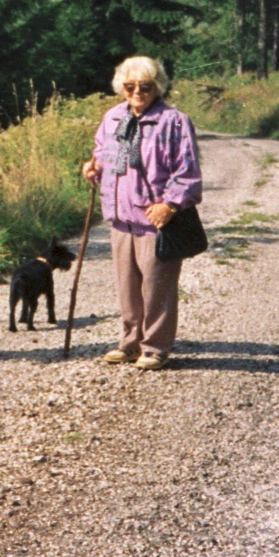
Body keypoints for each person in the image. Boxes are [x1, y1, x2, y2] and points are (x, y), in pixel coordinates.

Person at [81, 56, 202, 370]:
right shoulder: (112, 118)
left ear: (157, 87)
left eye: (145, 87)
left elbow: (187, 170)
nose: (137, 92)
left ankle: (156, 346)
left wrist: (170, 204)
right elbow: (102, 154)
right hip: (120, 217)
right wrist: (93, 167)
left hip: (155, 219)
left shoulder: (173, 121)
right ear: (121, 87)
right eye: (130, 86)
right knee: (128, 286)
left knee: (156, 285)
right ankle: (131, 342)